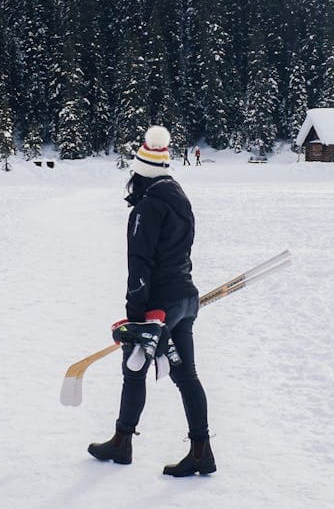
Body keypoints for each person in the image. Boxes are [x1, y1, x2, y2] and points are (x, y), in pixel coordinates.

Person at [87, 125, 215, 477]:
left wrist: (134, 319)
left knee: (134, 371)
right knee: (186, 375)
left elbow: (139, 265)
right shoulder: (179, 195)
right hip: (185, 299)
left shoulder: (147, 207)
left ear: (140, 174)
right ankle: (199, 451)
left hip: (160, 307)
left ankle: (121, 442)